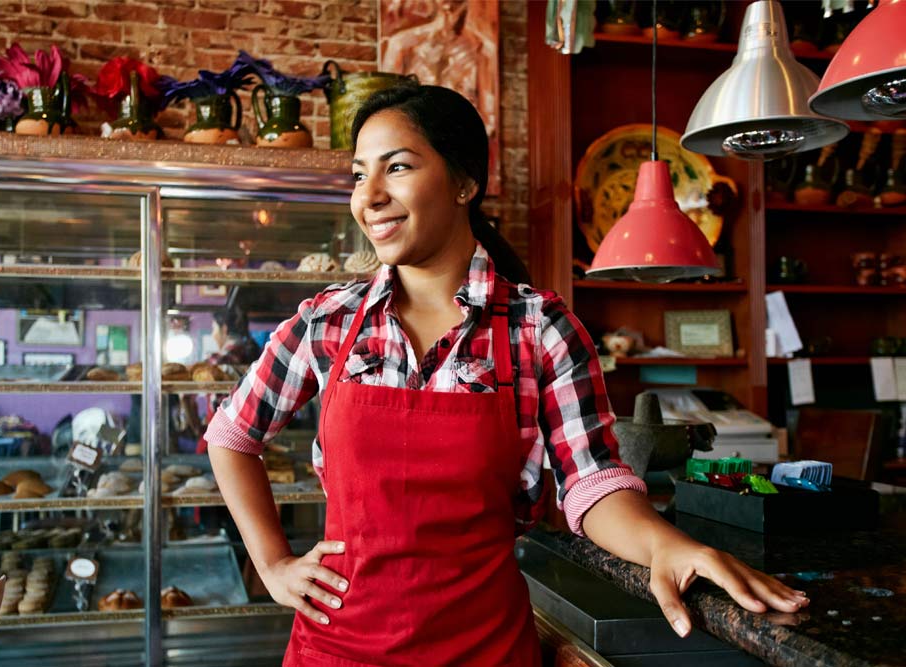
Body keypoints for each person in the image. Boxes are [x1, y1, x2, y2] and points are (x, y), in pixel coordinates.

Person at [206, 84, 809, 666]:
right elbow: (232, 435)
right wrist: (273, 564)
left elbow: (592, 483)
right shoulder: (327, 323)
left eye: (398, 167)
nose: (370, 195)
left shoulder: (539, 328)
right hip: (337, 651)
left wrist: (666, 545)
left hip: (481, 649)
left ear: (466, 182)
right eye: (360, 174)